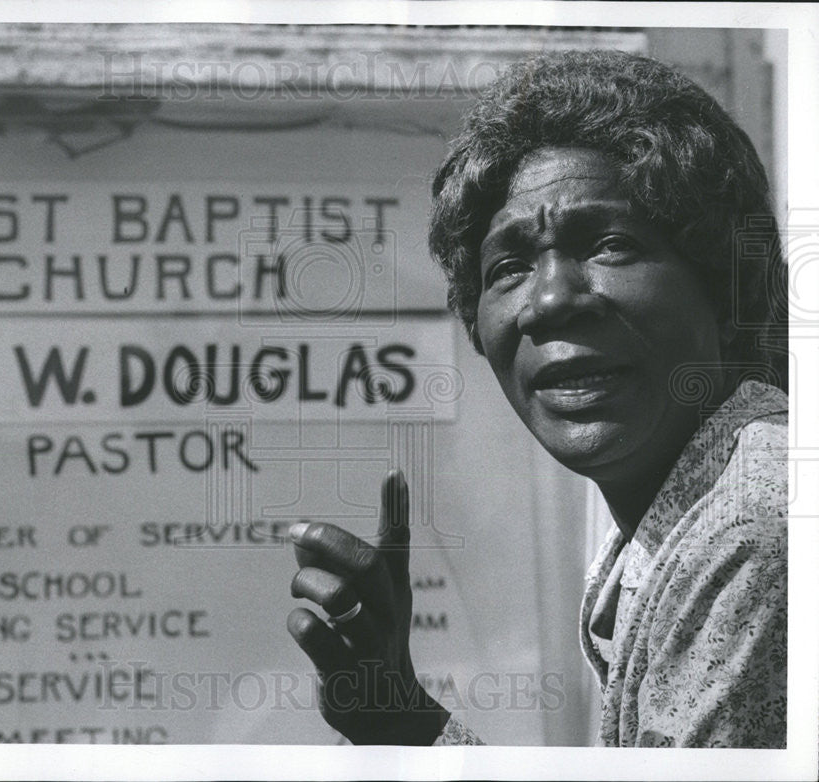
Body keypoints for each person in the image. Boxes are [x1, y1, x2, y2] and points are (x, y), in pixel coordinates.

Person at [286, 49, 788, 748]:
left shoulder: (750, 533)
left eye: (610, 244)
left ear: (729, 288)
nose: (549, 302)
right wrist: (398, 717)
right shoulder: (684, 525)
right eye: (510, 267)